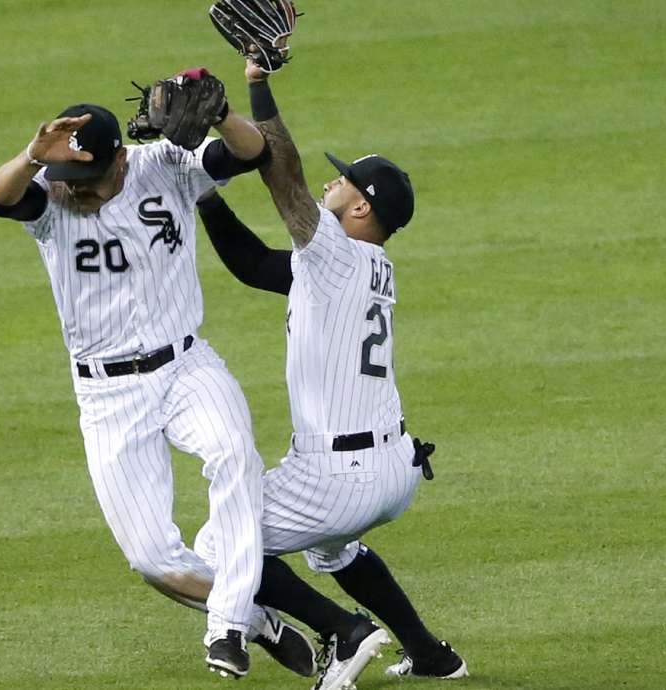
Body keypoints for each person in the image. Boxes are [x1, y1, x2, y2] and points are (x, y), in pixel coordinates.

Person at [0, 76, 313, 679]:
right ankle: (256, 621)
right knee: (153, 560)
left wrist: (222, 114)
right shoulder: (49, 194)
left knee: (234, 455)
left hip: (185, 365)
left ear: (119, 160)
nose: (68, 190)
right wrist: (33, 155)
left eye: (82, 179)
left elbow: (252, 151)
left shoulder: (166, 165)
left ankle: (225, 626)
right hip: (107, 394)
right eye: (62, 177)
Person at [192, 62, 470, 689]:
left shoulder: (334, 253)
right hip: (393, 468)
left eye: (343, 179)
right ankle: (431, 655)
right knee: (331, 548)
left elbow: (280, 172)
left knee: (217, 548)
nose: (329, 182)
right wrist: (200, 194)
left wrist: (256, 88)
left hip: (338, 475)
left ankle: (344, 632)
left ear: (362, 205)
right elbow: (256, 265)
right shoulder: (358, 266)